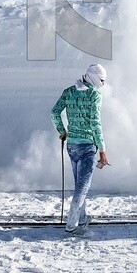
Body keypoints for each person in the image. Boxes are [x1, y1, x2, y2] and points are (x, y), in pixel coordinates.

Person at [51, 63, 110, 235]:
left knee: (79, 185)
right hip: (87, 147)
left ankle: (82, 219)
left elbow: (54, 112)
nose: (103, 84)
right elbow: (95, 124)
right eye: (101, 80)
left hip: (72, 146)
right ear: (93, 77)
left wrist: (62, 132)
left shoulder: (69, 91)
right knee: (83, 188)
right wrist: (102, 150)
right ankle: (71, 225)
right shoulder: (94, 95)